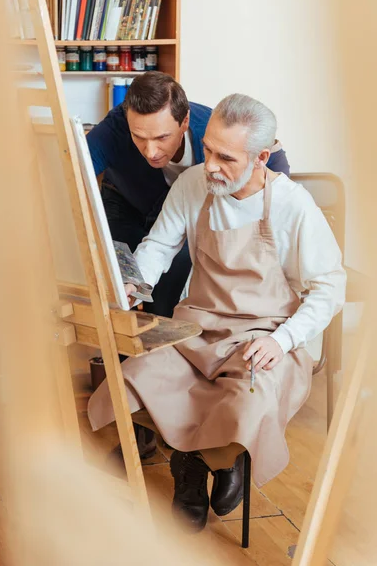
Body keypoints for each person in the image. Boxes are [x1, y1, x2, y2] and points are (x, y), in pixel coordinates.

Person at [88, 93, 346, 532]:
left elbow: (330, 286)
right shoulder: (193, 185)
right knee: (134, 378)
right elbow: (158, 246)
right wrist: (136, 283)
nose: (209, 164)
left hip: (264, 337)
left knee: (248, 400)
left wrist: (281, 341)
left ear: (262, 157)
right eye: (207, 149)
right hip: (197, 328)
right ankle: (192, 467)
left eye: (225, 157)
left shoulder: (291, 205)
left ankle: (225, 461)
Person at [86, 72, 290, 319]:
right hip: (126, 204)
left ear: (184, 123)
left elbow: (272, 160)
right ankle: (126, 351)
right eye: (139, 138)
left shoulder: (210, 130)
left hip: (179, 210)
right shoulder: (115, 128)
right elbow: (74, 174)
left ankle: (164, 338)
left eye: (162, 137)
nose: (150, 152)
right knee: (125, 280)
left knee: (175, 275)